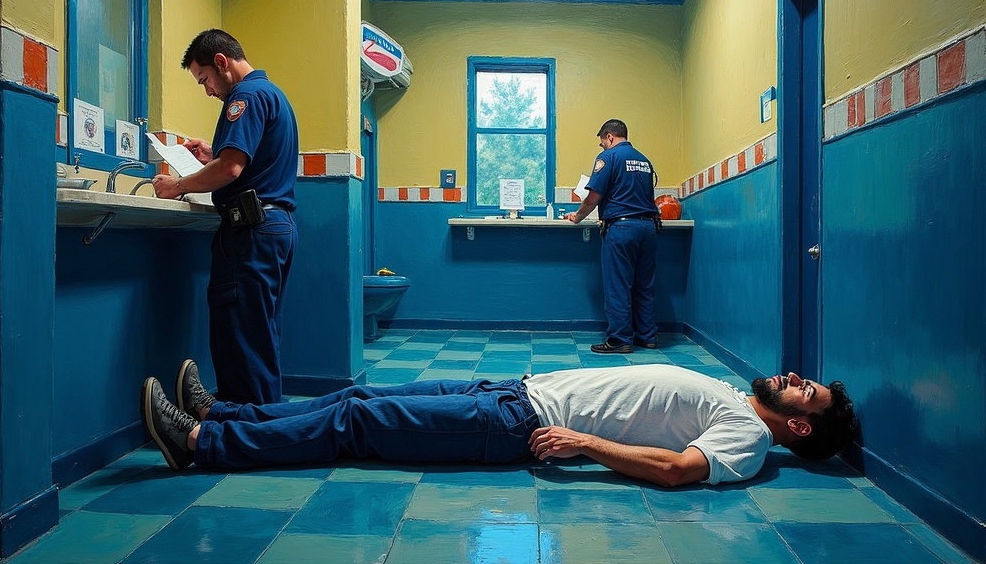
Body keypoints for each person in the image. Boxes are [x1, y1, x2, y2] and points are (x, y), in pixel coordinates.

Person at [141, 360, 856, 488]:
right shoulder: (743, 398)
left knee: (357, 423)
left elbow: (675, 469)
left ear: (798, 430)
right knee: (356, 398)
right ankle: (226, 413)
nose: (796, 380)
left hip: (516, 423)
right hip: (513, 389)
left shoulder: (751, 440)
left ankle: (203, 444)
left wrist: (582, 444)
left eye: (807, 395)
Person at [151, 29, 298, 405]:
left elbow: (231, 171)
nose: (208, 90)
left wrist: (178, 185)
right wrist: (215, 152)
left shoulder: (245, 97)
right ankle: (260, 427)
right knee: (259, 335)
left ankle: (247, 436)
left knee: (243, 339)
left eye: (205, 80)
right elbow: (247, 161)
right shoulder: (274, 94)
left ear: (221, 62)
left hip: (252, 231)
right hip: (275, 227)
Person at [566, 119, 661, 354]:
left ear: (609, 137)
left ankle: (619, 339)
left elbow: (593, 197)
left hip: (622, 229)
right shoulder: (644, 161)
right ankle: (647, 336)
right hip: (648, 228)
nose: (602, 147)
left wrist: (578, 216)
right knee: (644, 285)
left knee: (618, 285)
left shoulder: (608, 158)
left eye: (602, 142)